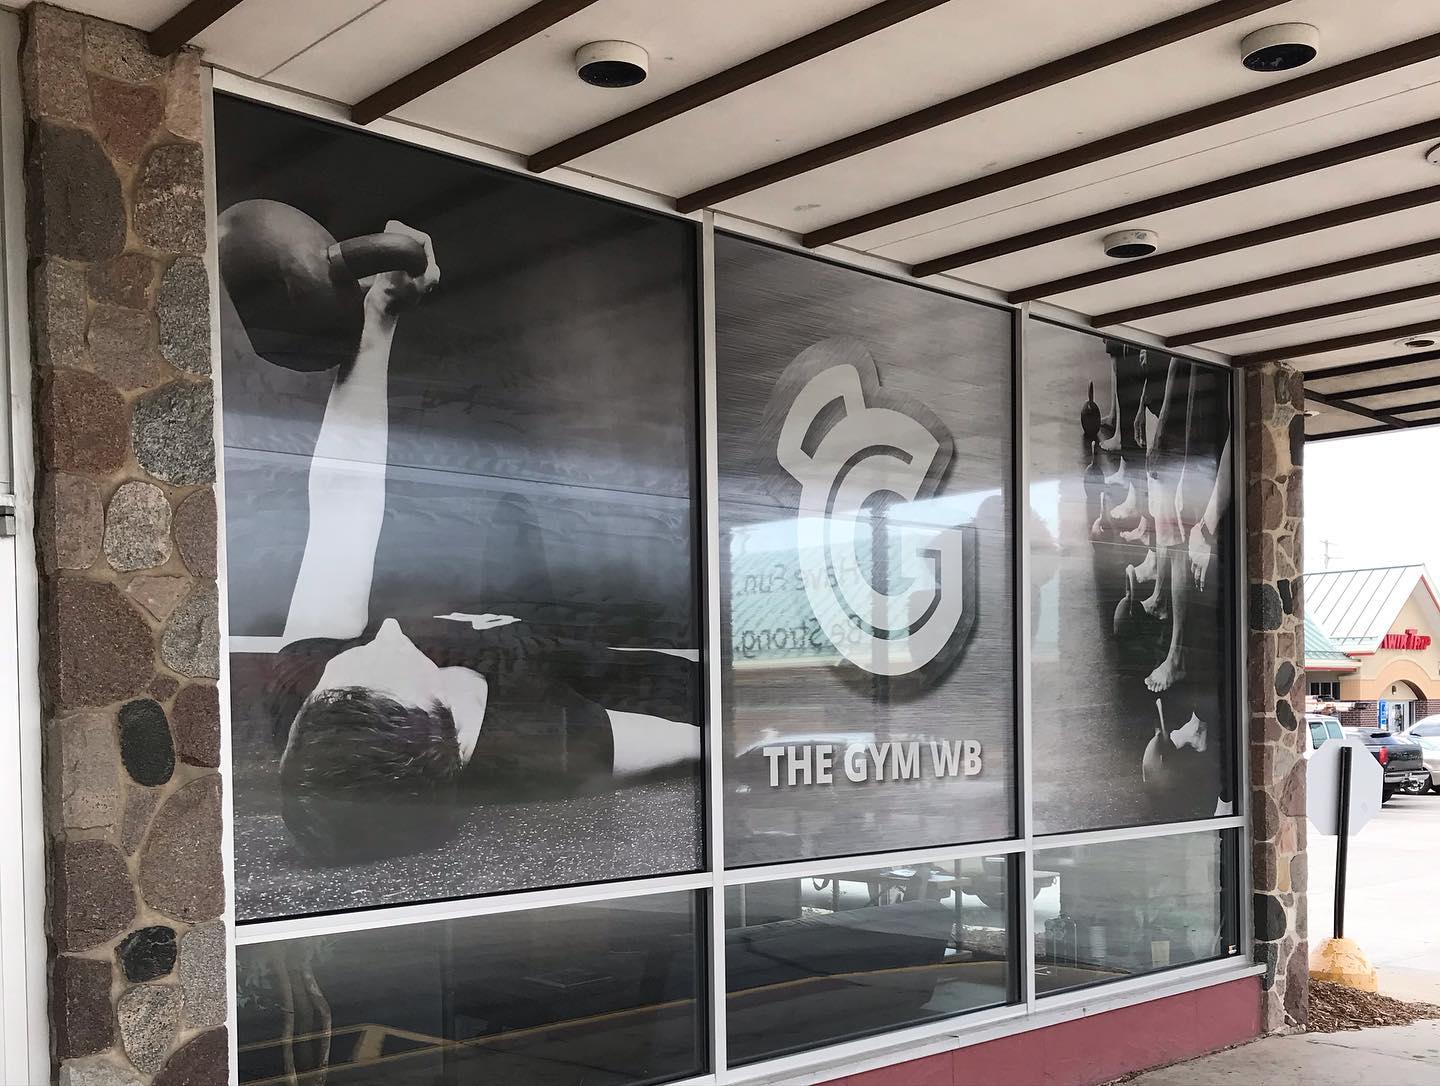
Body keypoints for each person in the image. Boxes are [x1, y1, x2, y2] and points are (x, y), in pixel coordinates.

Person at [225, 217, 702, 864]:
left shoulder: (313, 691)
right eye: (394, 657)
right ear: (443, 713)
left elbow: (345, 503)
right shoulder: (546, 746)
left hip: (498, 579)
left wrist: (379, 319)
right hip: (623, 647)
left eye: (347, 661)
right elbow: (698, 743)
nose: (385, 632)